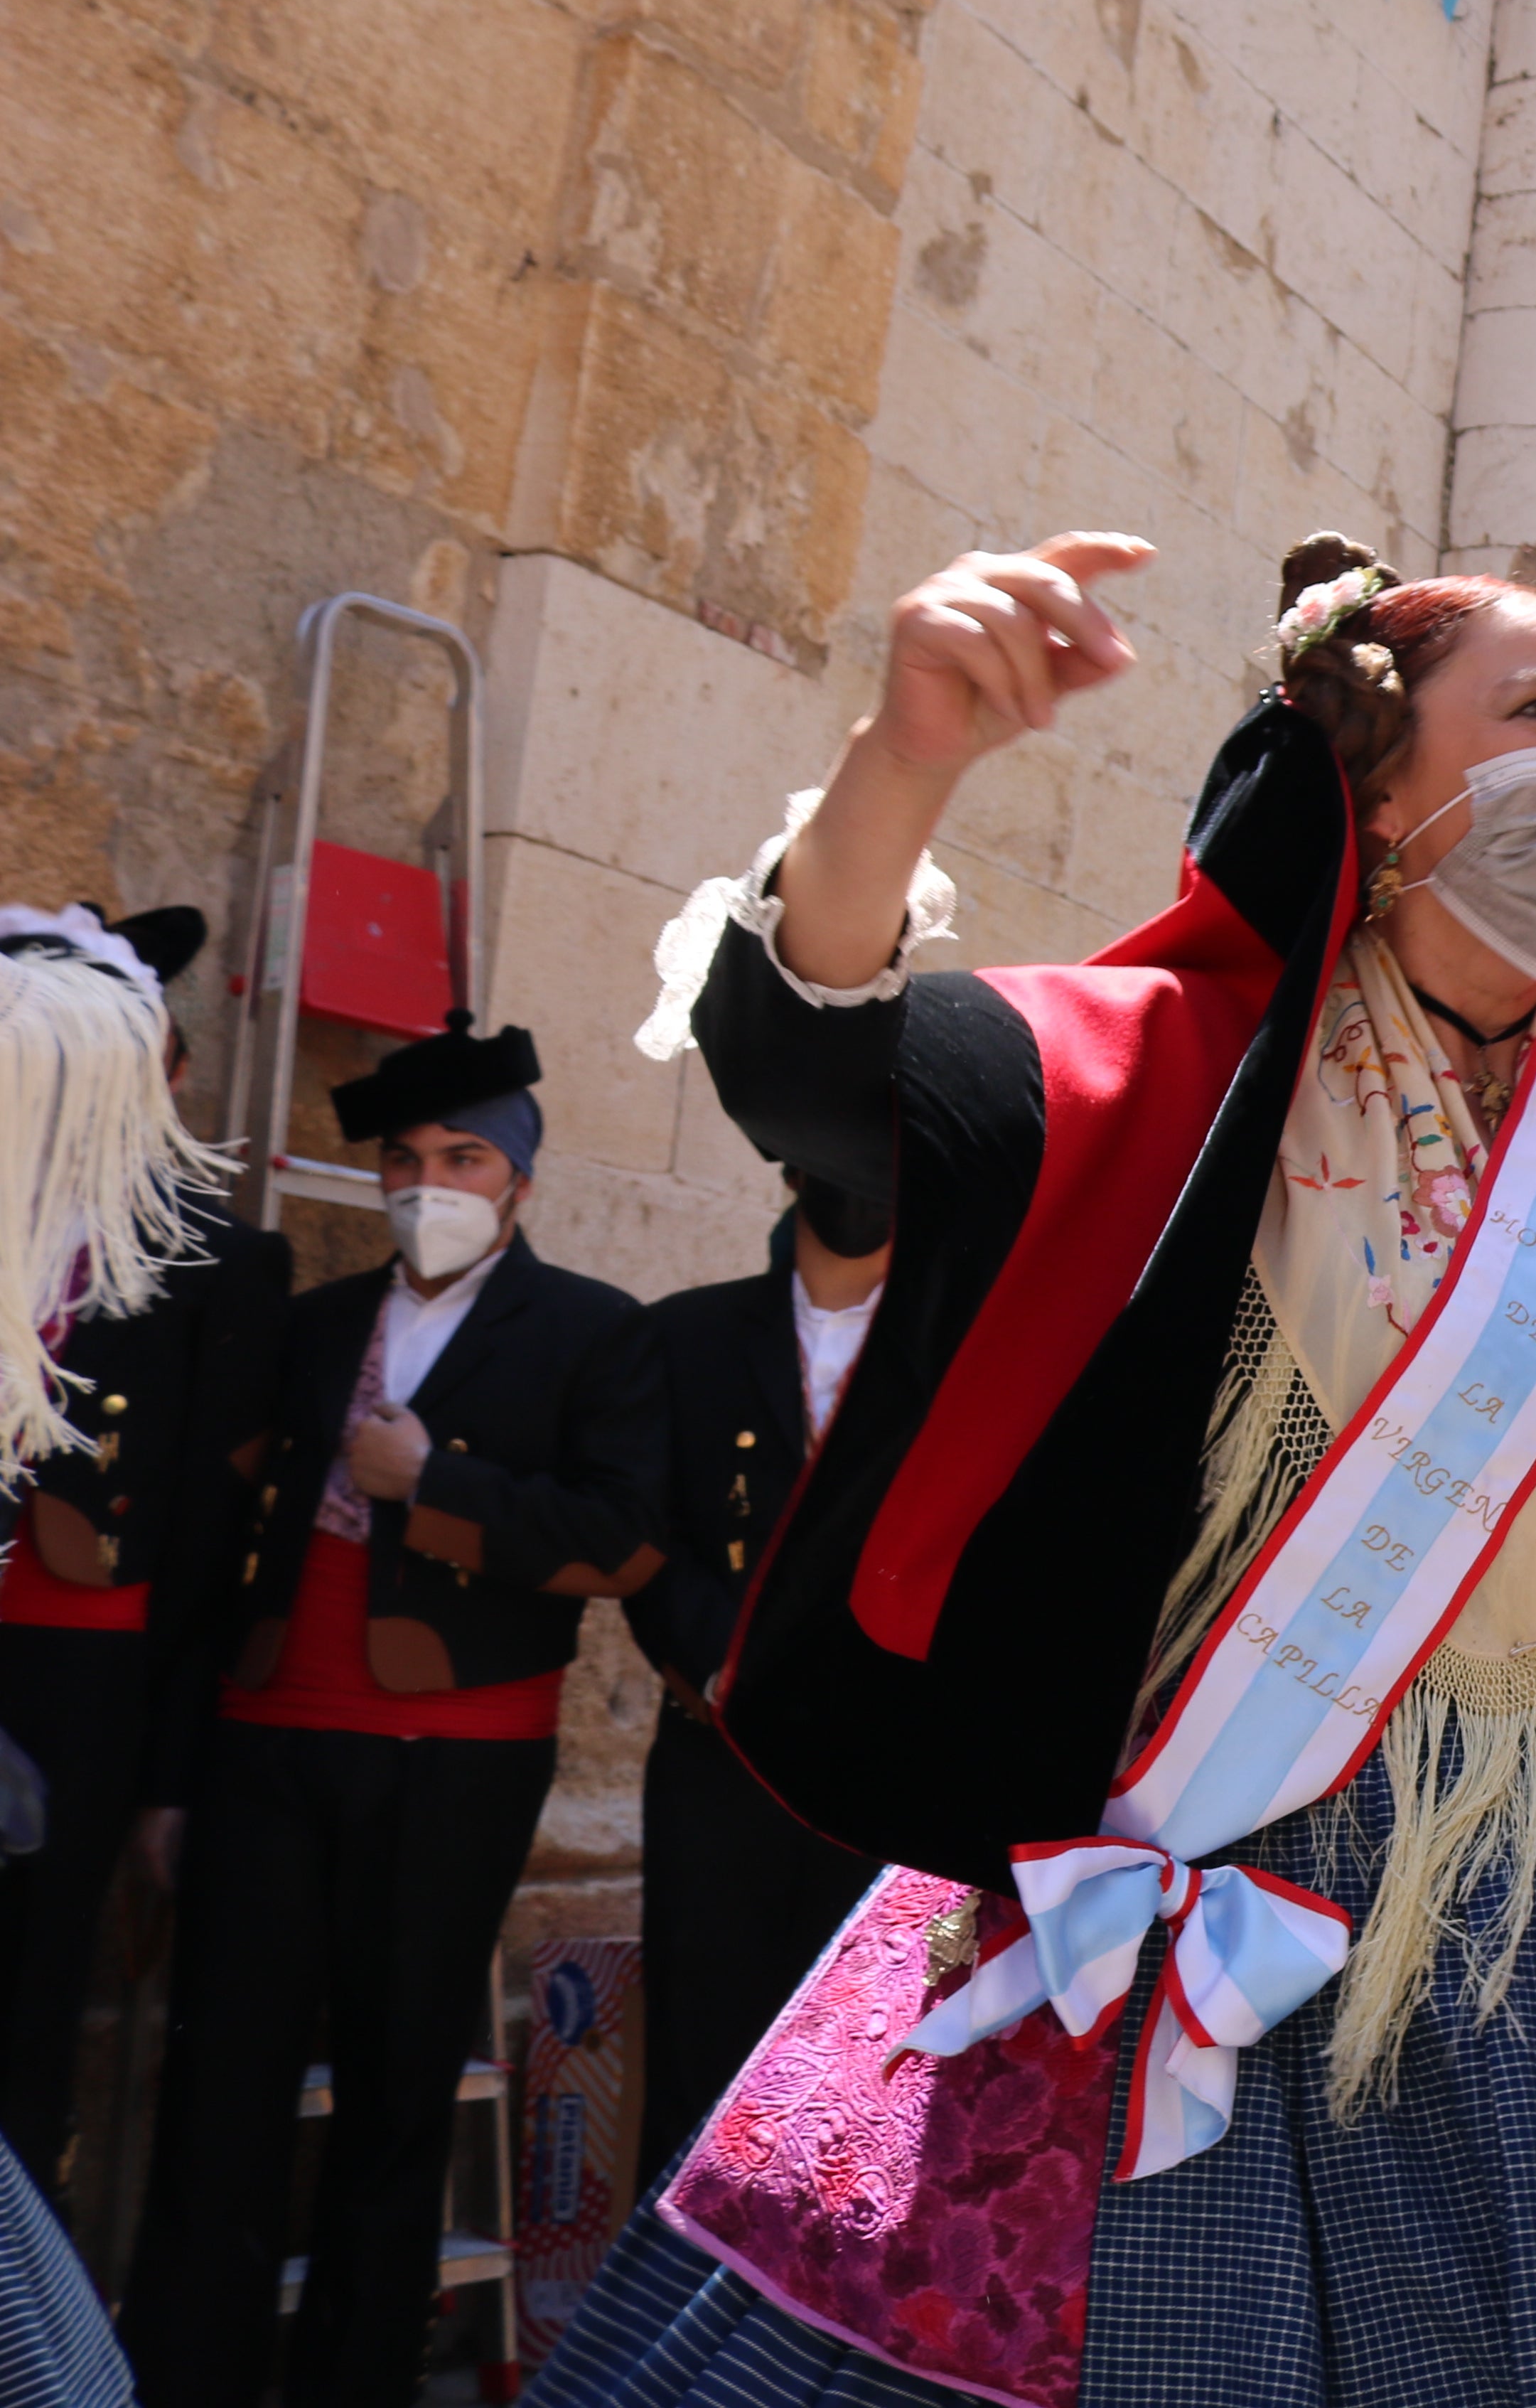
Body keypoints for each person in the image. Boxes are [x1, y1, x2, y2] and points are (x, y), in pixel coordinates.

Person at [525, 535, 1536, 2408]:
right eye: (1535, 714)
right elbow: (824, 1080)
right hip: (1240, 1842)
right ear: (1376, 776)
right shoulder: (1193, 1070)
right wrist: (906, 752)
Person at [127, 1019, 661, 2408]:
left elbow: (622, 1538)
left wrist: (439, 1483)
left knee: (393, 2090)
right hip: (264, 1747)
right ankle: (185, 2375)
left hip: (454, 1766)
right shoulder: (310, 1324)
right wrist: (173, 1775)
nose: (432, 1179)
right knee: (217, 2085)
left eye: (465, 1155)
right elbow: (216, 1557)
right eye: (408, 1158)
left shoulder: (596, 1332)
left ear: (520, 1181)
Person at [0, 902, 248, 2408]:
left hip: (82, 1681)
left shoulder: (206, 1256)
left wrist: (168, 1776)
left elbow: (209, 1549)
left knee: (34, 2006)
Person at [618, 1170, 893, 2179]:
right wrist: (725, 1663)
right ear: (787, 1157)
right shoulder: (682, 1336)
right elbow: (642, 1540)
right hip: (716, 1756)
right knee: (703, 2063)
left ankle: (805, 2342)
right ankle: (670, 2325)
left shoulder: (960, 1352)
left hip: (878, 1771)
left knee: (854, 2086)